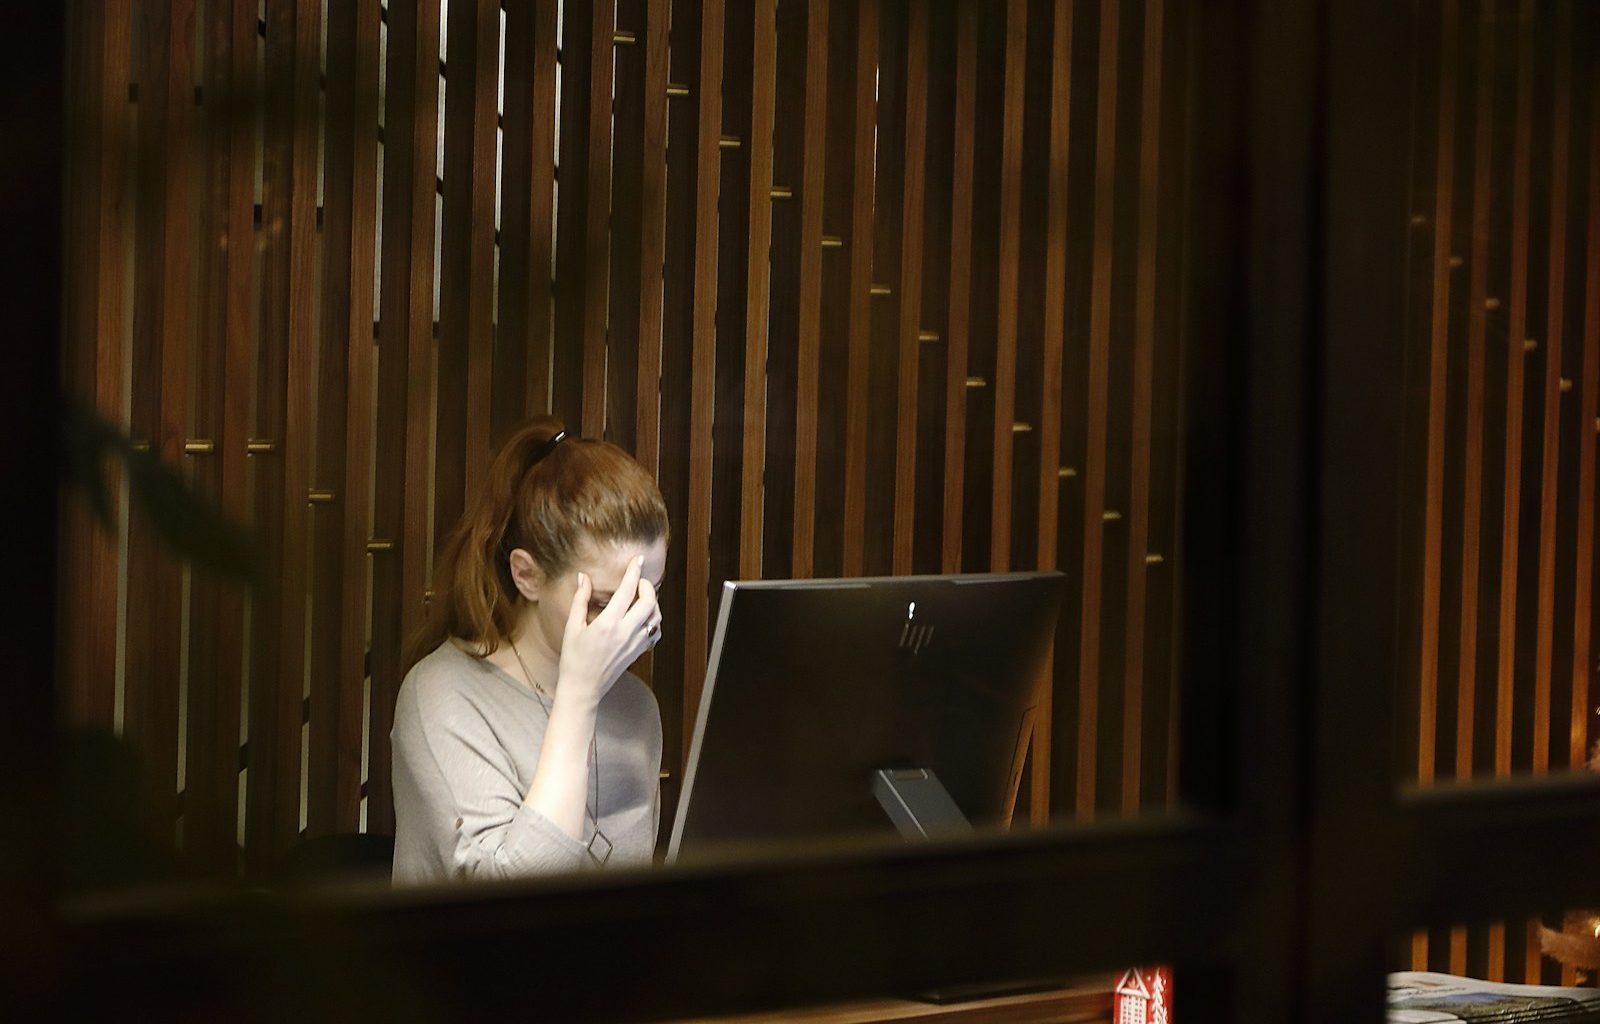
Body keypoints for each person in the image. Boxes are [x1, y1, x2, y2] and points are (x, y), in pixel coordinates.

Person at [390, 417, 669, 885]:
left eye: (649, 595)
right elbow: (513, 908)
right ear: (528, 576)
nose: (633, 622)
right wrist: (579, 698)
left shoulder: (636, 707)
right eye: (604, 602)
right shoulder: (440, 694)